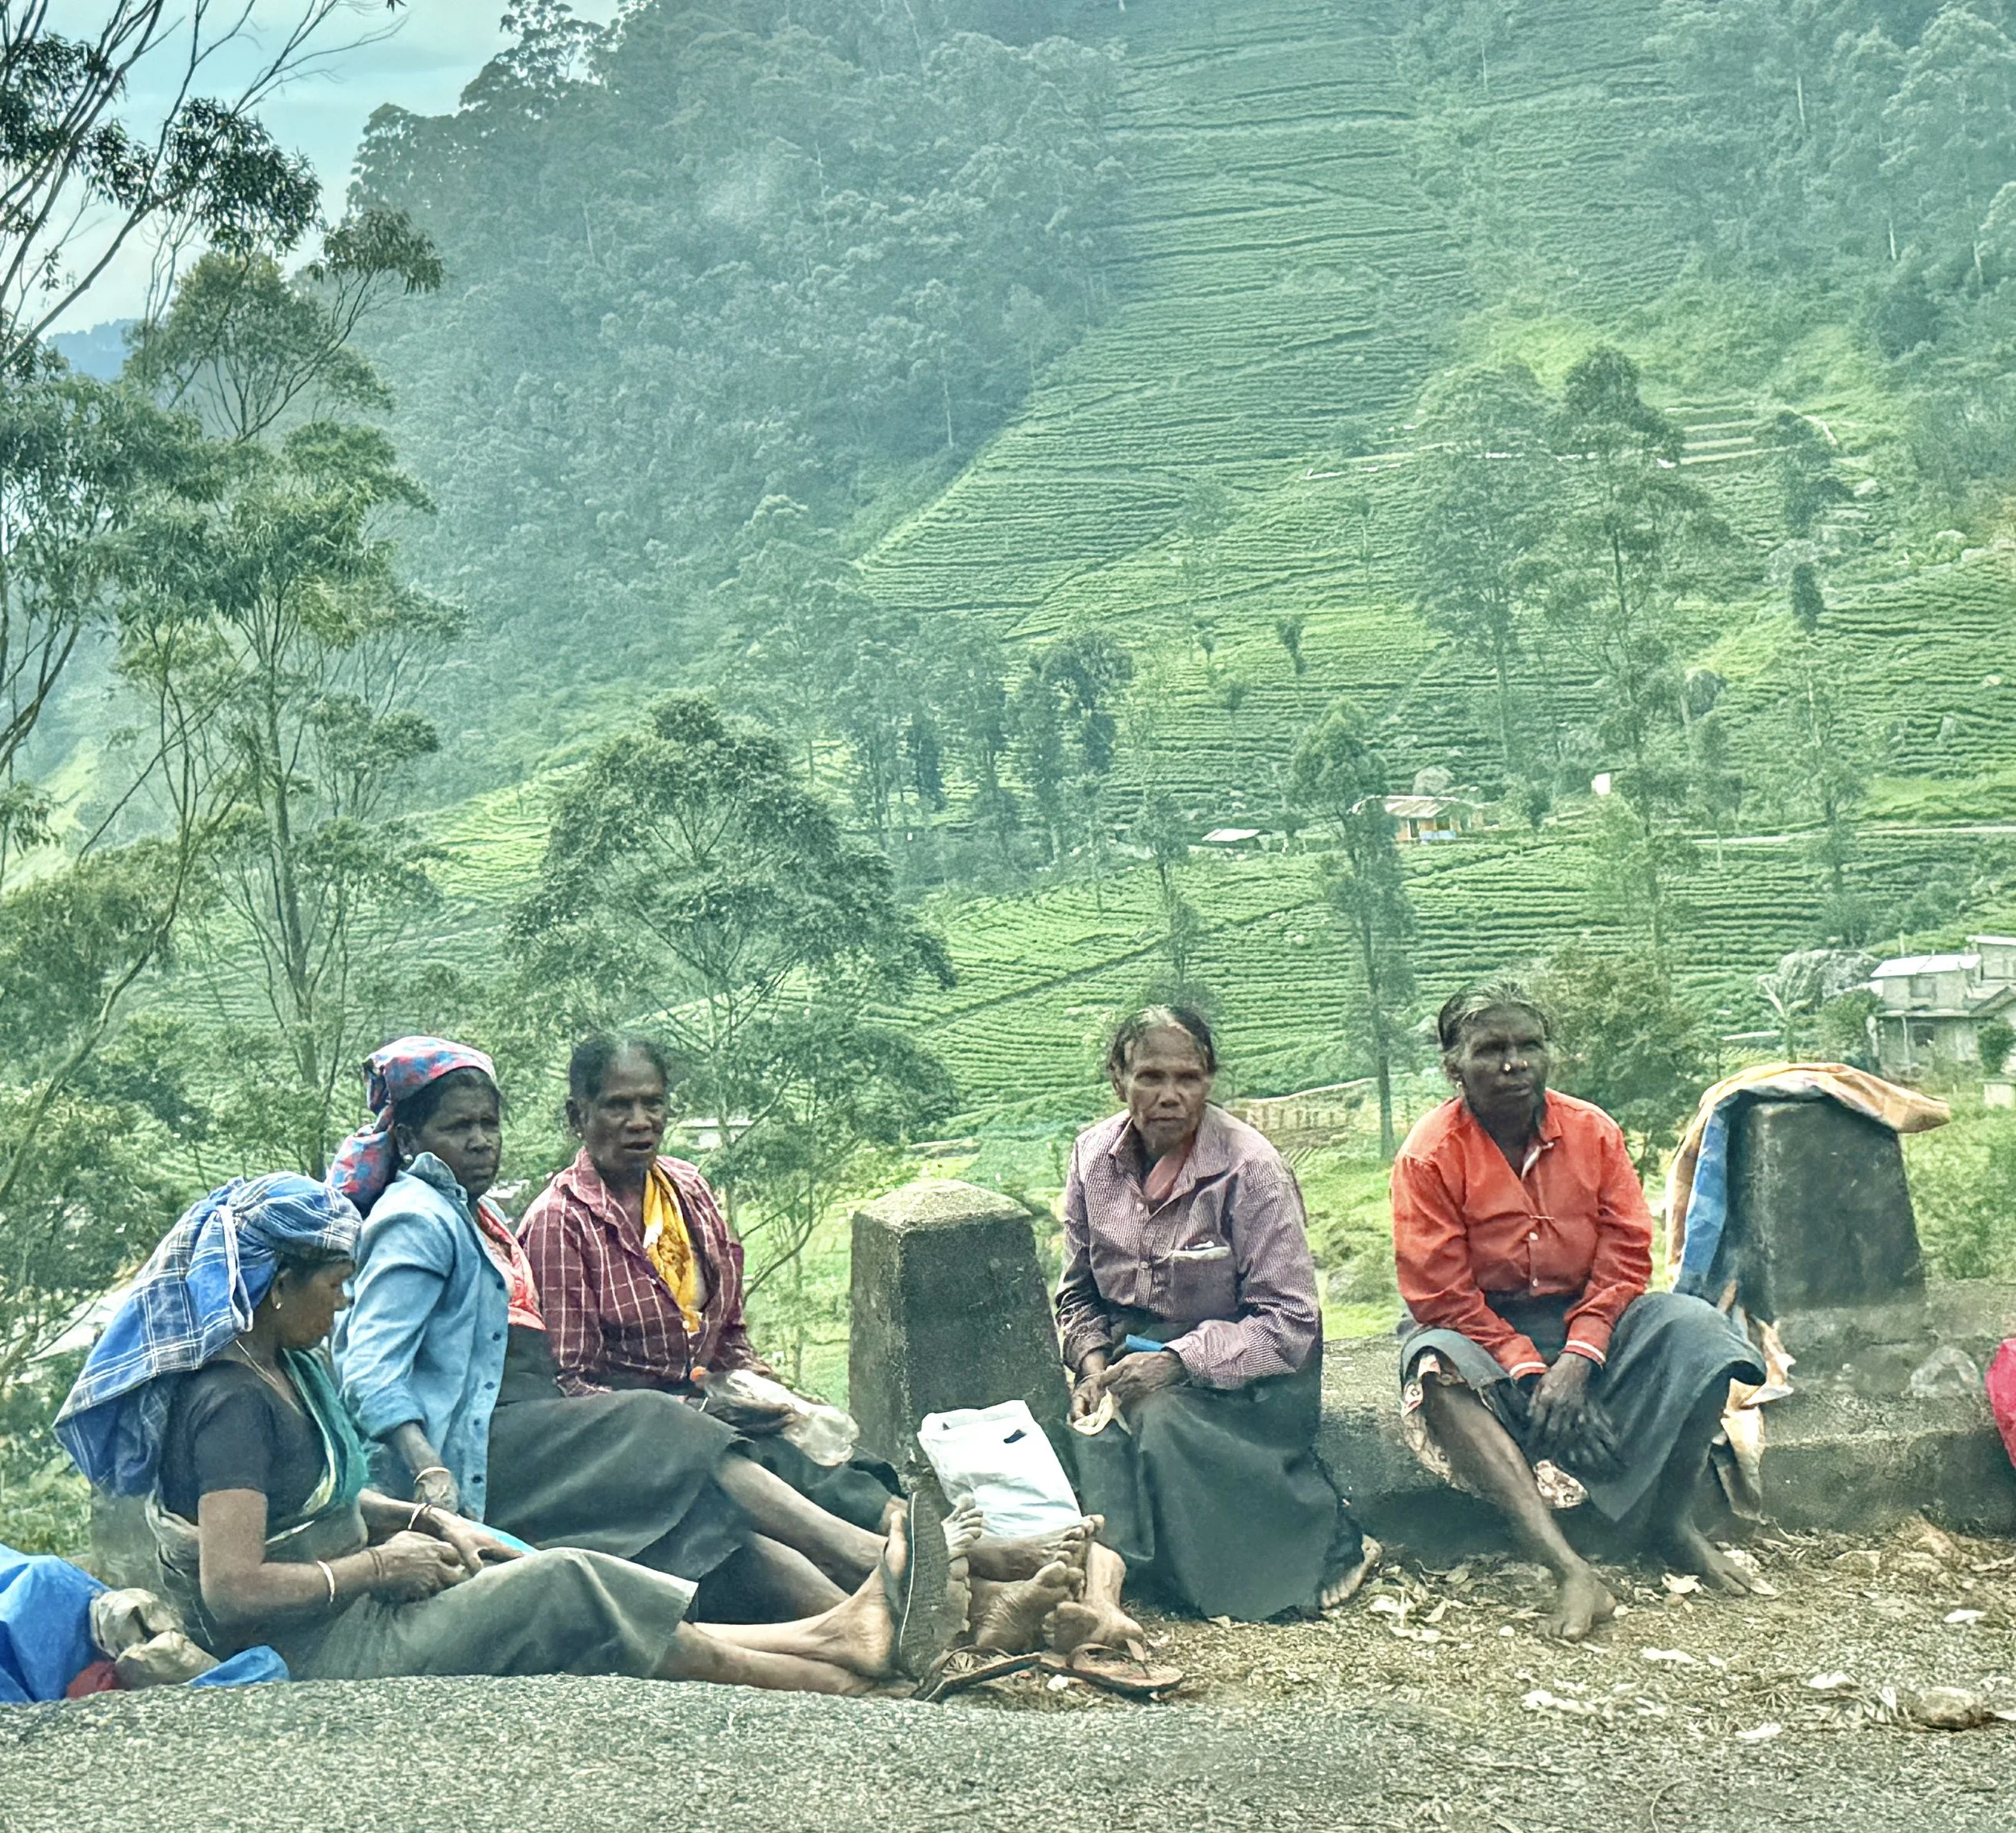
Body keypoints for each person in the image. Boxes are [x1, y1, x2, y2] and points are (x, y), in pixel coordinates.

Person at [54, 1173, 964, 1692]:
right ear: (274, 1283)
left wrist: (415, 1523)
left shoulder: (282, 1366)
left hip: (350, 1604)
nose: (341, 1306)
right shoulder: (227, 1405)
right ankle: (822, 1661)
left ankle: (832, 1637)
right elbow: (236, 1586)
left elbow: (326, 1493)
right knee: (561, 1583)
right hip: (319, 1651)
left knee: (549, 1563)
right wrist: (377, 1566)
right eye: (333, 1285)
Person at [338, 1035, 1080, 1637]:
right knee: (670, 1427)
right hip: (497, 1444)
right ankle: (878, 1556)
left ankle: (939, 1614)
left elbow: (726, 1334)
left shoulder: (488, 1213)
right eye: (456, 1127)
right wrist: (430, 1473)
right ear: (407, 1136)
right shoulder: (426, 1216)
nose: (478, 1142)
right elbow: (371, 1367)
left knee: (738, 1511)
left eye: (488, 1124)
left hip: (584, 1423)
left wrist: (764, 1393)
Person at [1392, 984, 1770, 1643]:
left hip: (1586, 1318)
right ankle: (1569, 1567)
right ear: (1454, 1067)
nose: (1514, 1064)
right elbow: (1441, 1293)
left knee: (1703, 1334)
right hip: (1479, 1328)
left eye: (1528, 1045)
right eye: (1491, 1050)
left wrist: (1580, 1356)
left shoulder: (1593, 1131)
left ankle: (1670, 1521)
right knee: (1435, 1367)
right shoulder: (1429, 1153)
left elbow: (1626, 1255)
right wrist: (1534, 1374)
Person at [1056, 1006, 1372, 1627]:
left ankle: (1321, 1543)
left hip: (1250, 1372)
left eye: (1188, 1077)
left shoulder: (1250, 1168)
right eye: (1150, 1076)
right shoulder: (1092, 1157)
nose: (1169, 1096)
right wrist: (1092, 1365)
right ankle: (1131, 1568)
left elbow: (1289, 1322)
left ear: (1210, 1080)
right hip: (1132, 1352)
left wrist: (1177, 1362)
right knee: (1078, 1419)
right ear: (1117, 1079)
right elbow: (1076, 1295)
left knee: (1158, 1418)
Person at [519, 1034, 904, 1534]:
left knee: (847, 1458)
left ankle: (923, 1541)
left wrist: (768, 1394)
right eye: (618, 1106)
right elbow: (571, 1384)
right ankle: (912, 1548)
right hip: (641, 1433)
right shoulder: (561, 1224)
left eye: (652, 1103)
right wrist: (696, 1410)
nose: (640, 1121)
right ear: (578, 1117)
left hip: (715, 1403)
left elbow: (727, 1336)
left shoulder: (689, 1190)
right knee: (800, 1477)